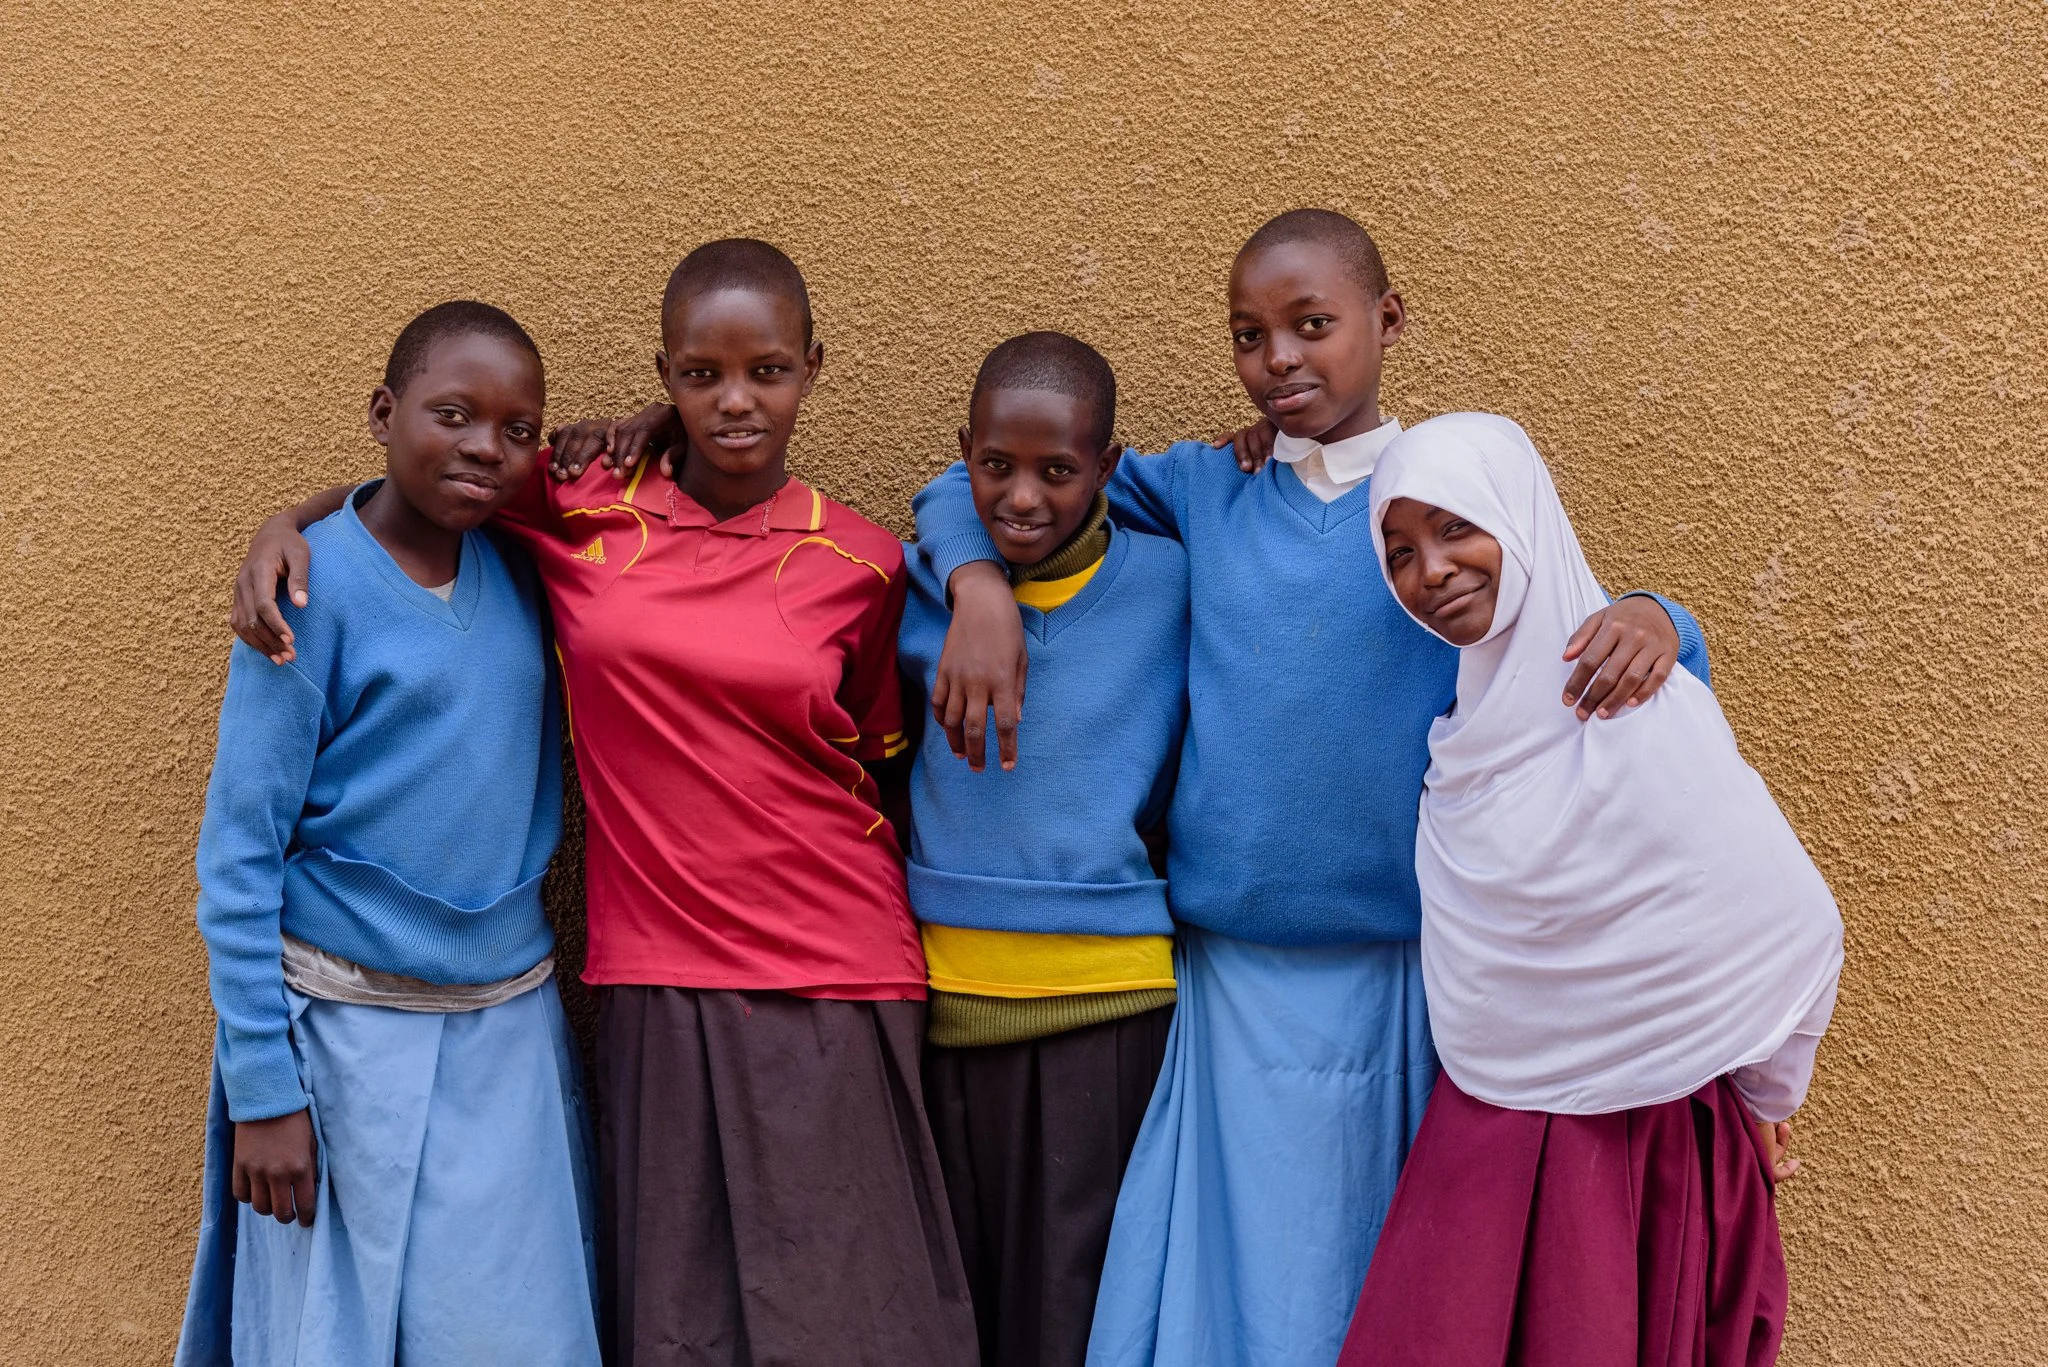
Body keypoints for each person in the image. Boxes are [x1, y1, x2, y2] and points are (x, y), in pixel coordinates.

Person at [910, 209, 1712, 1367]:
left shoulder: (1443, 499)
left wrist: (1659, 616)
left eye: (1311, 325)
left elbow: (1573, 612)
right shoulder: (1199, 487)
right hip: (1230, 978)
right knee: (1242, 1294)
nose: (1278, 358)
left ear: (1388, 322)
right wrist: (980, 582)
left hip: (1416, 979)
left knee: (1390, 1285)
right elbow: (979, 477)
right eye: (1249, 335)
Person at [227, 242, 977, 1366]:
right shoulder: (581, 511)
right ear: (664, 375)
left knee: (852, 1312)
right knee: (676, 1322)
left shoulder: (865, 560)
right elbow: (425, 483)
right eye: (700, 372)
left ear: (812, 369)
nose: (734, 400)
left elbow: (877, 756)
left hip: (831, 962)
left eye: (766, 370)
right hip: (646, 969)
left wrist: (972, 582)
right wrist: (286, 520)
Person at [1337, 412, 1843, 1366]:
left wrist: (1765, 1094)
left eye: (1456, 527)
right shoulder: (1459, 749)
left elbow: (1791, 919)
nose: (1430, 570)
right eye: (1398, 551)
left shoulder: (1635, 704)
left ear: (1522, 522)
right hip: (1491, 1136)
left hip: (1650, 1141)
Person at [177, 301, 599, 1365]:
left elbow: (691, 440)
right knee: (333, 1336)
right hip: (339, 1034)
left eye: (516, 430)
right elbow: (237, 859)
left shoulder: (523, 562)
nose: (482, 448)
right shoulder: (305, 593)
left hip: (508, 1026)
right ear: (383, 410)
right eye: (451, 414)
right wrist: (265, 1093)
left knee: (515, 1330)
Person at [899, 332, 1188, 1367]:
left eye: (1058, 472)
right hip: (946, 1003)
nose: (1021, 496)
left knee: (1076, 1312)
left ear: (1107, 468)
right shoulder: (922, 582)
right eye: (996, 467)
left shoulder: (1168, 585)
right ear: (962, 454)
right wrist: (976, 585)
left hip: (1110, 1010)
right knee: (954, 1307)